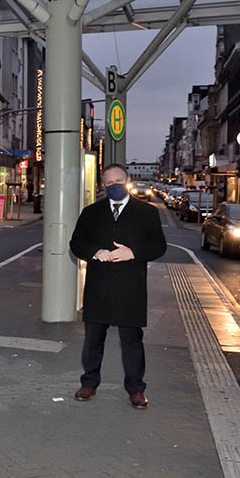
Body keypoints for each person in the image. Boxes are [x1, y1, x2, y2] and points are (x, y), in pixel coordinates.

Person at [69, 163, 166, 410]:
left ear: (128, 180)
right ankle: (89, 383)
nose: (114, 186)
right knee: (93, 341)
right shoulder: (91, 212)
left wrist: (133, 252)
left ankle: (136, 390)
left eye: (118, 181)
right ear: (103, 185)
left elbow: (159, 246)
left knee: (132, 342)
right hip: (98, 287)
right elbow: (76, 242)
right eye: (109, 183)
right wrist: (95, 251)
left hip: (130, 289)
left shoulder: (147, 212)